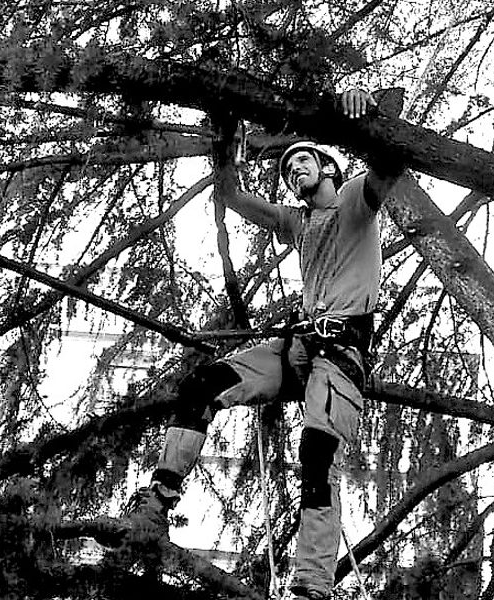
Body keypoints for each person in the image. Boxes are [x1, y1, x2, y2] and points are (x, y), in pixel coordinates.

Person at [125, 88, 402, 600]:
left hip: (339, 354)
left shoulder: (356, 200)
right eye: (289, 167)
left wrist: (364, 115)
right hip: (295, 348)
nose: (296, 169)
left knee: (318, 453)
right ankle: (159, 499)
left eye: (305, 160)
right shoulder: (295, 221)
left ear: (330, 168)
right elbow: (231, 197)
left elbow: (390, 161)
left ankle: (313, 584)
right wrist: (225, 136)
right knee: (205, 383)